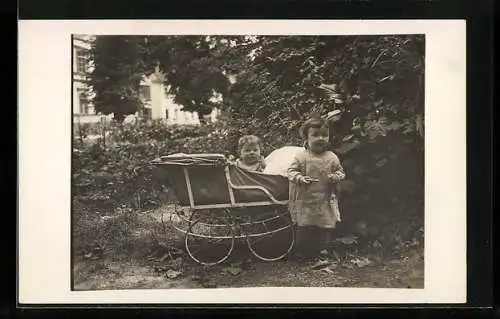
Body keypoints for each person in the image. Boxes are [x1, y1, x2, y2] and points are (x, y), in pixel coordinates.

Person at [287, 115, 346, 262]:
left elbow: (341, 172)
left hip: (324, 198)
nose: (320, 138)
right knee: (304, 226)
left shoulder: (331, 157)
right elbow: (291, 172)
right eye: (315, 135)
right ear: (306, 139)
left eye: (324, 135)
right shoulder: (302, 157)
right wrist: (300, 178)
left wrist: (336, 176)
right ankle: (302, 252)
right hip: (305, 199)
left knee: (325, 225)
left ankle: (322, 249)